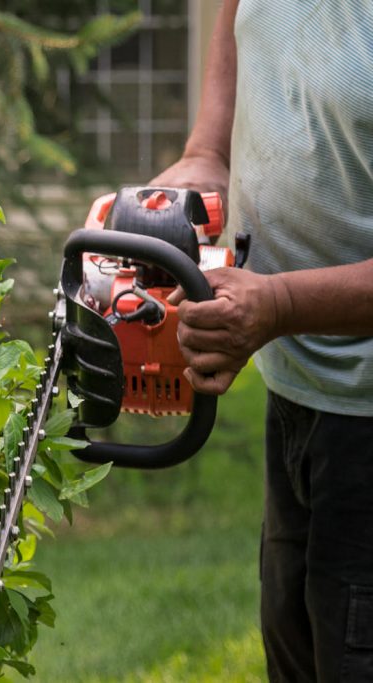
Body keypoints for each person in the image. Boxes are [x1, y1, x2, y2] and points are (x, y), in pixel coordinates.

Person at [152, 1, 373, 680]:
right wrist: (206, 150)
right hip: (295, 385)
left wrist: (276, 303)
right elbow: (243, 17)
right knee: (293, 639)